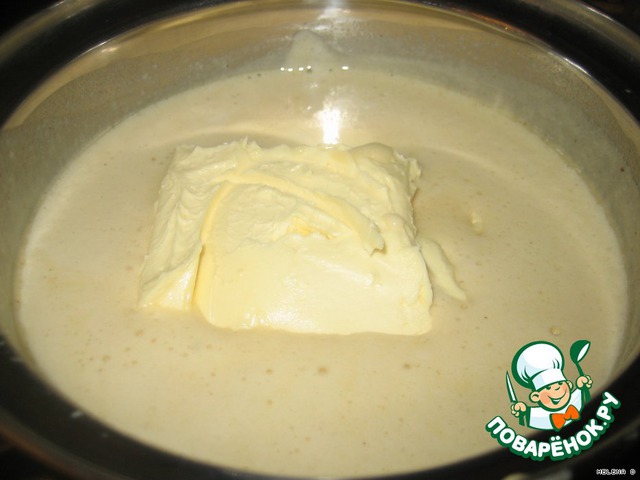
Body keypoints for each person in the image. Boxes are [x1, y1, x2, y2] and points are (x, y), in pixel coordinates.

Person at [510, 341, 592, 431]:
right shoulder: (538, 417)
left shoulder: (576, 399)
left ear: (569, 384)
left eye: (560, 384)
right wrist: (522, 411)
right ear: (535, 396)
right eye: (548, 388)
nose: (557, 389)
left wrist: (582, 386)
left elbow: (585, 396)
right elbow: (524, 419)